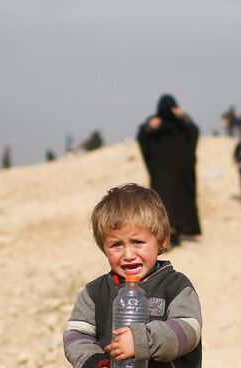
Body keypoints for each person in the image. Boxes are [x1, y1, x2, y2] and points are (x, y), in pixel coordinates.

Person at [63, 183, 202, 367]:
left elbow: (189, 330)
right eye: (116, 245)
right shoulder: (95, 293)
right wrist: (93, 360)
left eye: (137, 242)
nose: (128, 255)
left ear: (162, 240)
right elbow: (76, 334)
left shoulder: (175, 286)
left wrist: (141, 341)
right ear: (103, 247)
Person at [137, 95, 201, 245]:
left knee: (183, 200)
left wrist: (184, 117)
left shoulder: (182, 124)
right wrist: (149, 127)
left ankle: (185, 229)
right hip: (162, 174)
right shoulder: (154, 125)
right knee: (163, 201)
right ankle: (168, 232)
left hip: (181, 174)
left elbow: (194, 133)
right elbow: (143, 138)